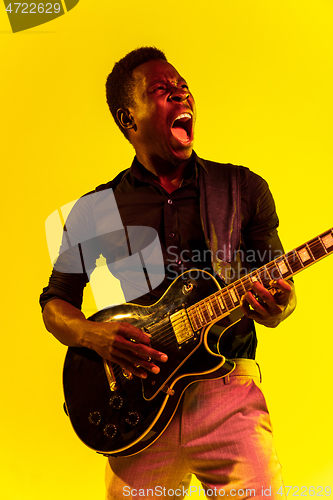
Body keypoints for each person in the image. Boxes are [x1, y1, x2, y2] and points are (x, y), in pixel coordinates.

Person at [40, 47, 296, 499]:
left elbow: (278, 295)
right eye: (162, 90)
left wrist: (279, 304)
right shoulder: (95, 209)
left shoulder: (243, 189)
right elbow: (56, 302)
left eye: (183, 86)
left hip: (227, 390)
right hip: (138, 406)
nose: (181, 93)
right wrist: (92, 336)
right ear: (129, 118)